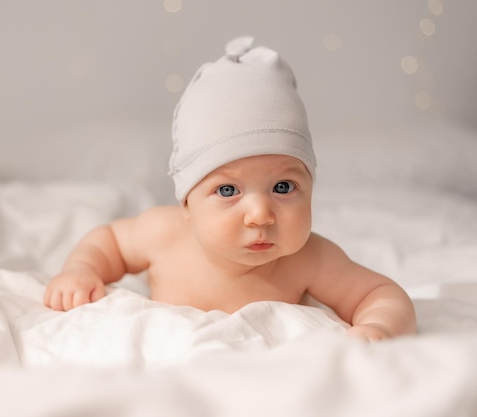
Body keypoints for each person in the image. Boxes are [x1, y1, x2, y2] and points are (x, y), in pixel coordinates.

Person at [43, 37, 417, 341]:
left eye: (283, 186)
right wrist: (81, 270)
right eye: (227, 191)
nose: (260, 215)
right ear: (187, 201)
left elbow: (380, 294)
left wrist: (379, 327)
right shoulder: (164, 234)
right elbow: (108, 240)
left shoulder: (311, 259)